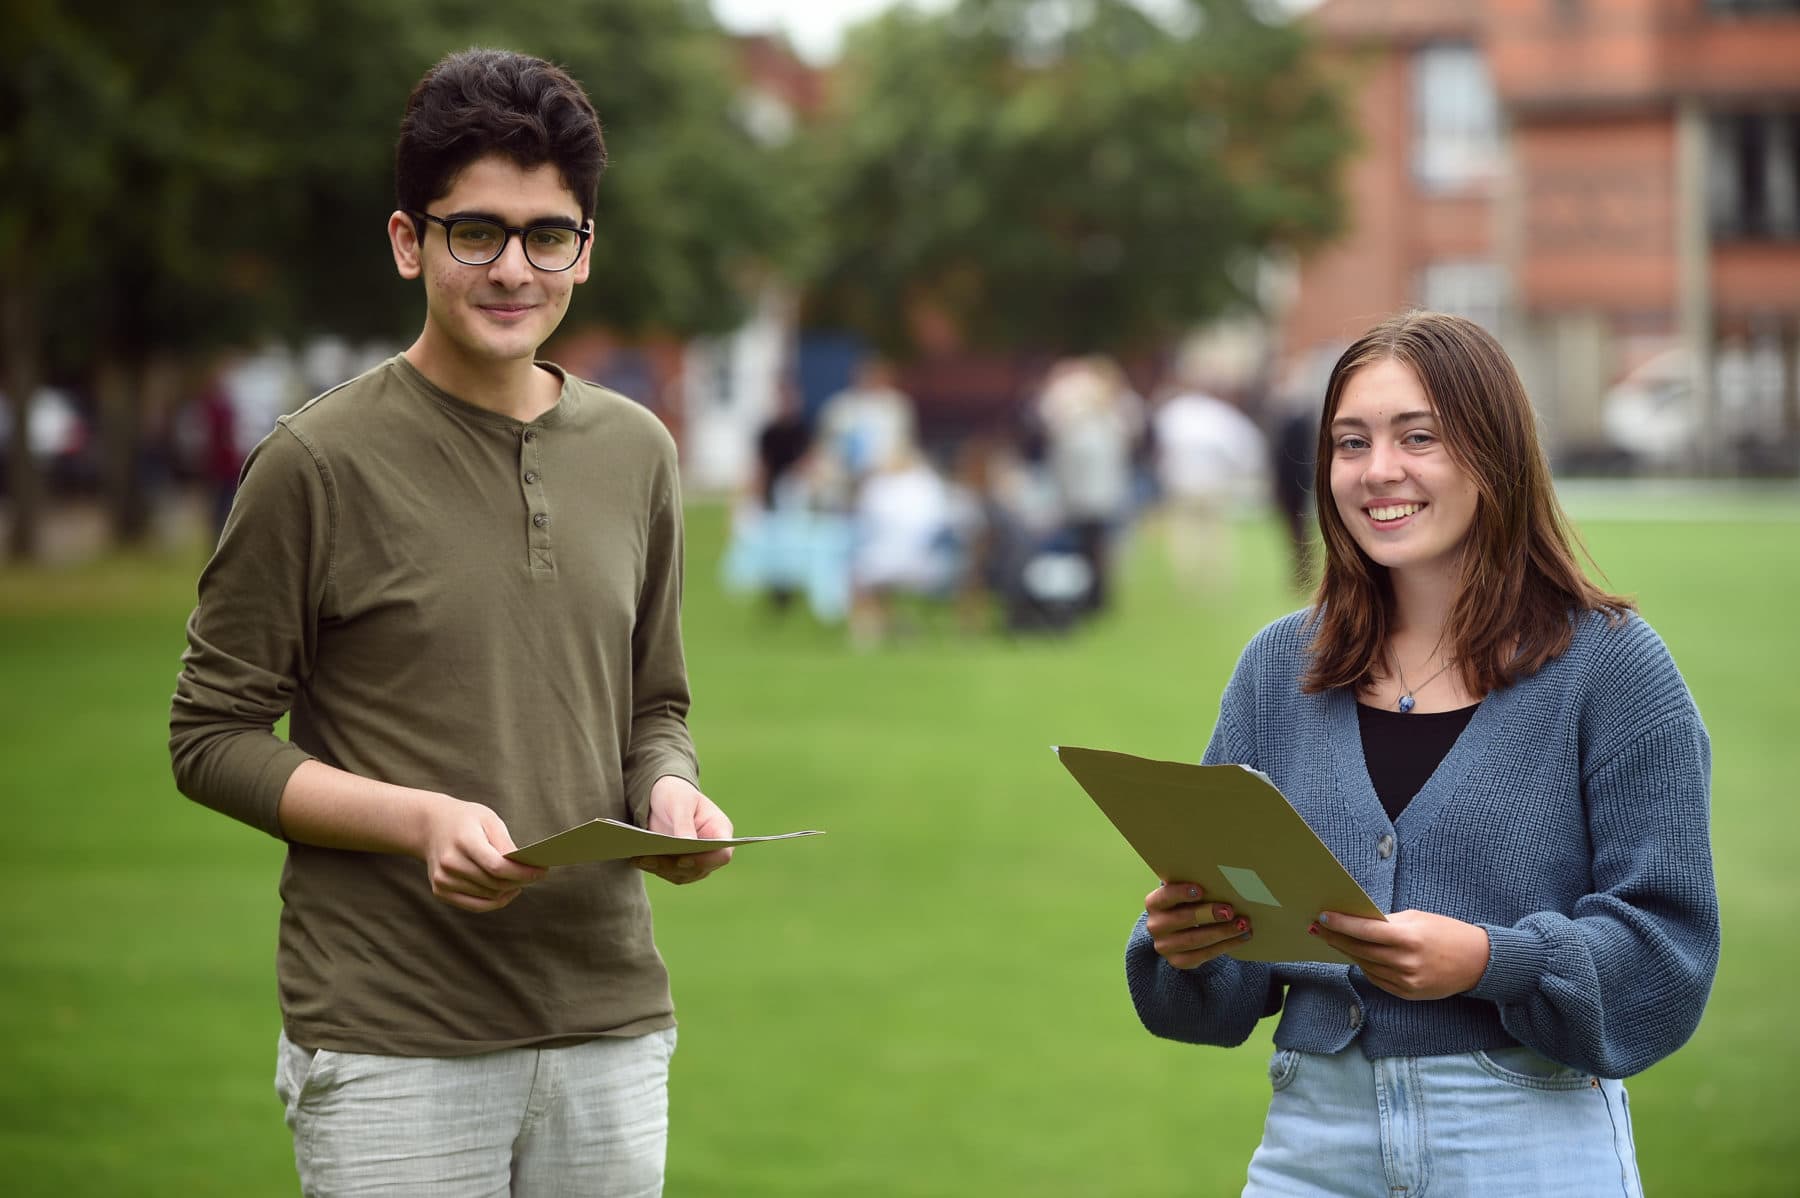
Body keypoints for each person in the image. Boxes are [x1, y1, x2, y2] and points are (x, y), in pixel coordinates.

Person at [168, 49, 734, 1196]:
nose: (514, 268)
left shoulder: (639, 452)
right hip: (391, 1036)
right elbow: (209, 738)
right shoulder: (314, 463)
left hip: (610, 1019)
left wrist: (667, 788)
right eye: (476, 232)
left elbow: (654, 702)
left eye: (549, 234)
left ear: (586, 245)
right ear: (407, 241)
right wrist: (417, 819)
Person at [1125, 311, 1718, 1196]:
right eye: (1351, 442)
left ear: (1494, 453)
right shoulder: (1278, 668)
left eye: (1419, 437)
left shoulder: (1612, 667)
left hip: (1530, 1134)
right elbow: (1212, 991)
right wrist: (1187, 941)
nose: (1379, 472)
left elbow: (1669, 952)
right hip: (1312, 1143)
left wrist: (1492, 961)